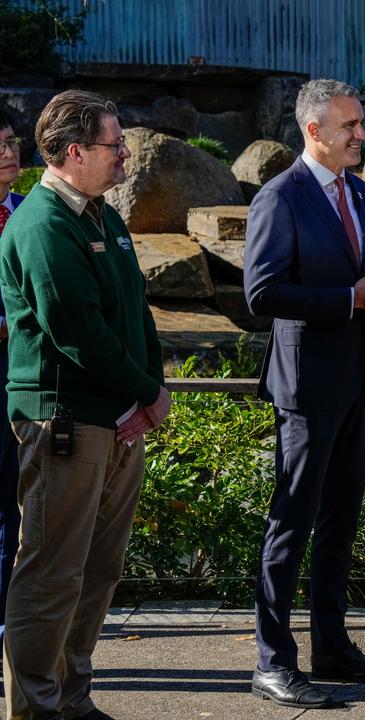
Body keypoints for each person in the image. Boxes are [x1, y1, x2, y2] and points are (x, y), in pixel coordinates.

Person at [0, 89, 169, 720]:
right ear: (74, 152)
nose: (125, 153)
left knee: (97, 571)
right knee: (50, 574)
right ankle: (33, 706)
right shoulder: (43, 223)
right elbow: (77, 331)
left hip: (118, 419)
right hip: (66, 419)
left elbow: (134, 312)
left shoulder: (102, 214)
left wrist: (150, 386)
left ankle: (72, 699)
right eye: (113, 144)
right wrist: (145, 390)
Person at [243, 79, 365, 710]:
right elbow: (262, 294)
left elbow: (359, 270)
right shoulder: (279, 199)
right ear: (313, 131)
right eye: (349, 127)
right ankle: (272, 662)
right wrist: (349, 299)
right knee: (291, 525)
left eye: (360, 124)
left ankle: (332, 648)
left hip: (356, 378)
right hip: (306, 389)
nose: (360, 135)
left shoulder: (358, 192)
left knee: (340, 524)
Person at [0, 109, 24, 650]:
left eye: (10, 142)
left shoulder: (28, 212)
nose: (8, 153)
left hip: (22, 384)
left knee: (14, 509)